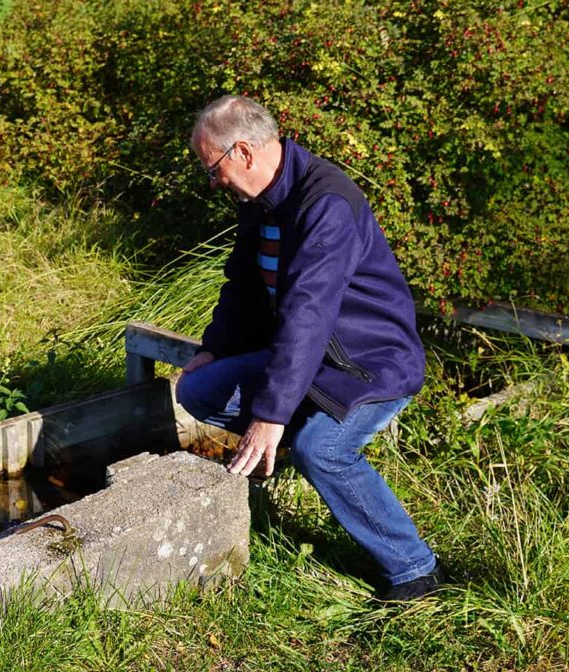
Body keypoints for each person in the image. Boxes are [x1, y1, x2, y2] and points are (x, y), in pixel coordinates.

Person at [175, 95, 442, 601]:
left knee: (323, 450)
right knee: (198, 390)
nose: (214, 182)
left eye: (213, 168)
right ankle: (292, 441)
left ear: (244, 154)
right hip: (311, 362)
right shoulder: (260, 203)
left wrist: (270, 415)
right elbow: (242, 285)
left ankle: (414, 570)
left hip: (368, 364)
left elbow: (309, 313)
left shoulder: (326, 203)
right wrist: (216, 347)